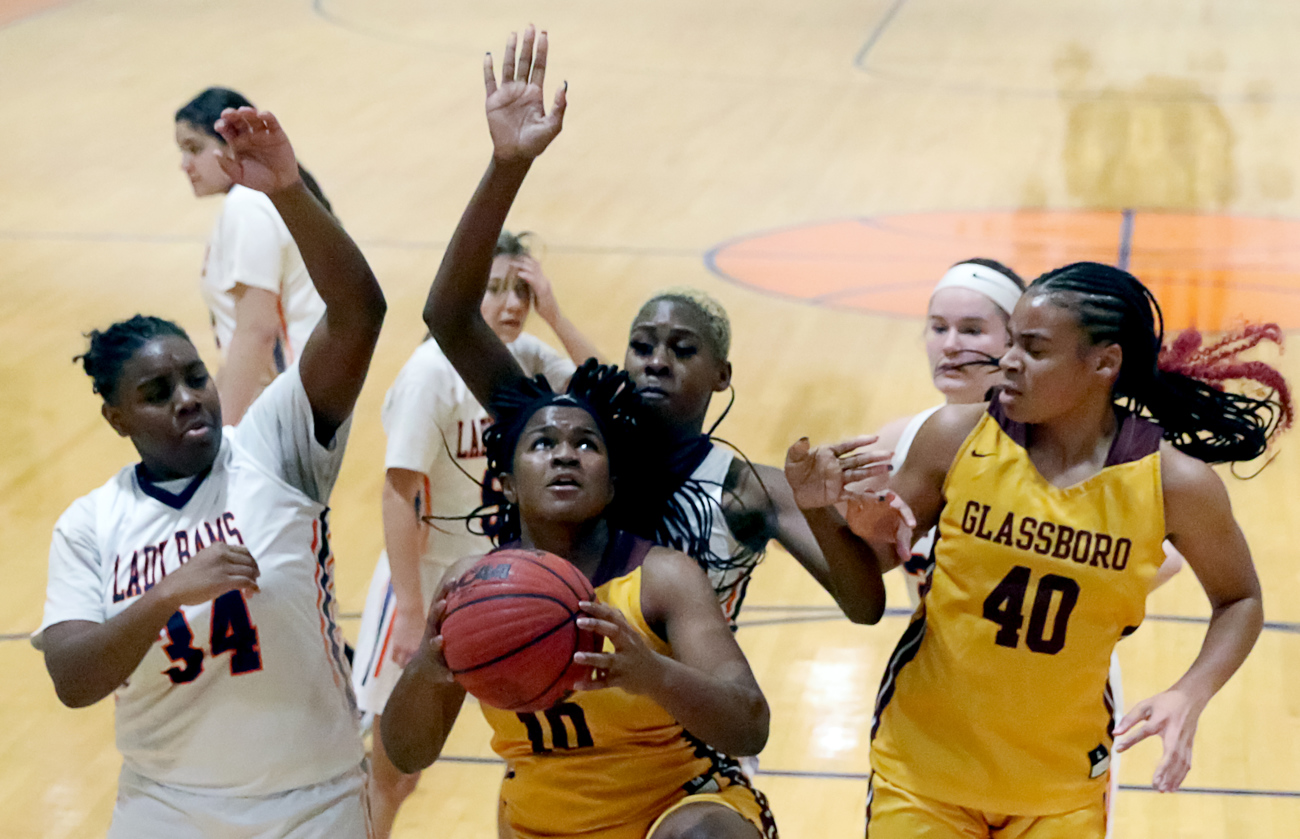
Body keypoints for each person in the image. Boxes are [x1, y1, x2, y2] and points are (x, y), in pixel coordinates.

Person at [787, 262, 1291, 837]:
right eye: (1011, 344)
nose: (1007, 361)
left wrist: (1189, 693)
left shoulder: (1175, 484)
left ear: (1105, 363)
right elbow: (863, 591)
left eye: (1034, 348)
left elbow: (1240, 598)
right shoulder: (955, 436)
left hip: (1060, 787)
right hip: (922, 770)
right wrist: (818, 512)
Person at [421, 24, 887, 627]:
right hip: (557, 702)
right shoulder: (571, 438)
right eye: (641, 346)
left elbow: (865, 606)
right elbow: (449, 317)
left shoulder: (749, 490)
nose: (655, 360)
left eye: (682, 348)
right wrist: (507, 166)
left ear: (722, 375)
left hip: (675, 714)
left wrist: (820, 510)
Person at [35, 107, 386, 838]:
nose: (189, 395)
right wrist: (167, 593)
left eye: (195, 375)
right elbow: (73, 678)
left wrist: (288, 190)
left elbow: (359, 314)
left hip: (312, 803)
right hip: (166, 808)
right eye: (158, 393)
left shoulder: (273, 445)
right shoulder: (90, 524)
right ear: (117, 419)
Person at [380, 362, 778, 839]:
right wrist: (427, 665)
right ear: (507, 484)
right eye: (543, 443)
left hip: (672, 808)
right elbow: (408, 753)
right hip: (540, 823)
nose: (565, 455)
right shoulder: (471, 588)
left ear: (611, 484)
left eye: (586, 443)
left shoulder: (661, 578)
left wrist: (653, 674)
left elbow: (749, 724)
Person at [352, 229, 599, 838]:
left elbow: (607, 397)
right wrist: (410, 609)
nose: (511, 304)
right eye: (493, 289)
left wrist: (557, 313)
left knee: (527, 753)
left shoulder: (533, 358)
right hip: (426, 582)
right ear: (464, 294)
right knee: (394, 769)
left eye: (520, 289)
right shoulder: (429, 375)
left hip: (505, 587)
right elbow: (396, 494)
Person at [175, 87, 333, 424]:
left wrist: (226, 430)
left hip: (284, 404)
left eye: (194, 149)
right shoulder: (258, 200)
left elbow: (258, 329)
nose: (184, 165)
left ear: (230, 145)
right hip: (297, 396)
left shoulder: (247, 206)